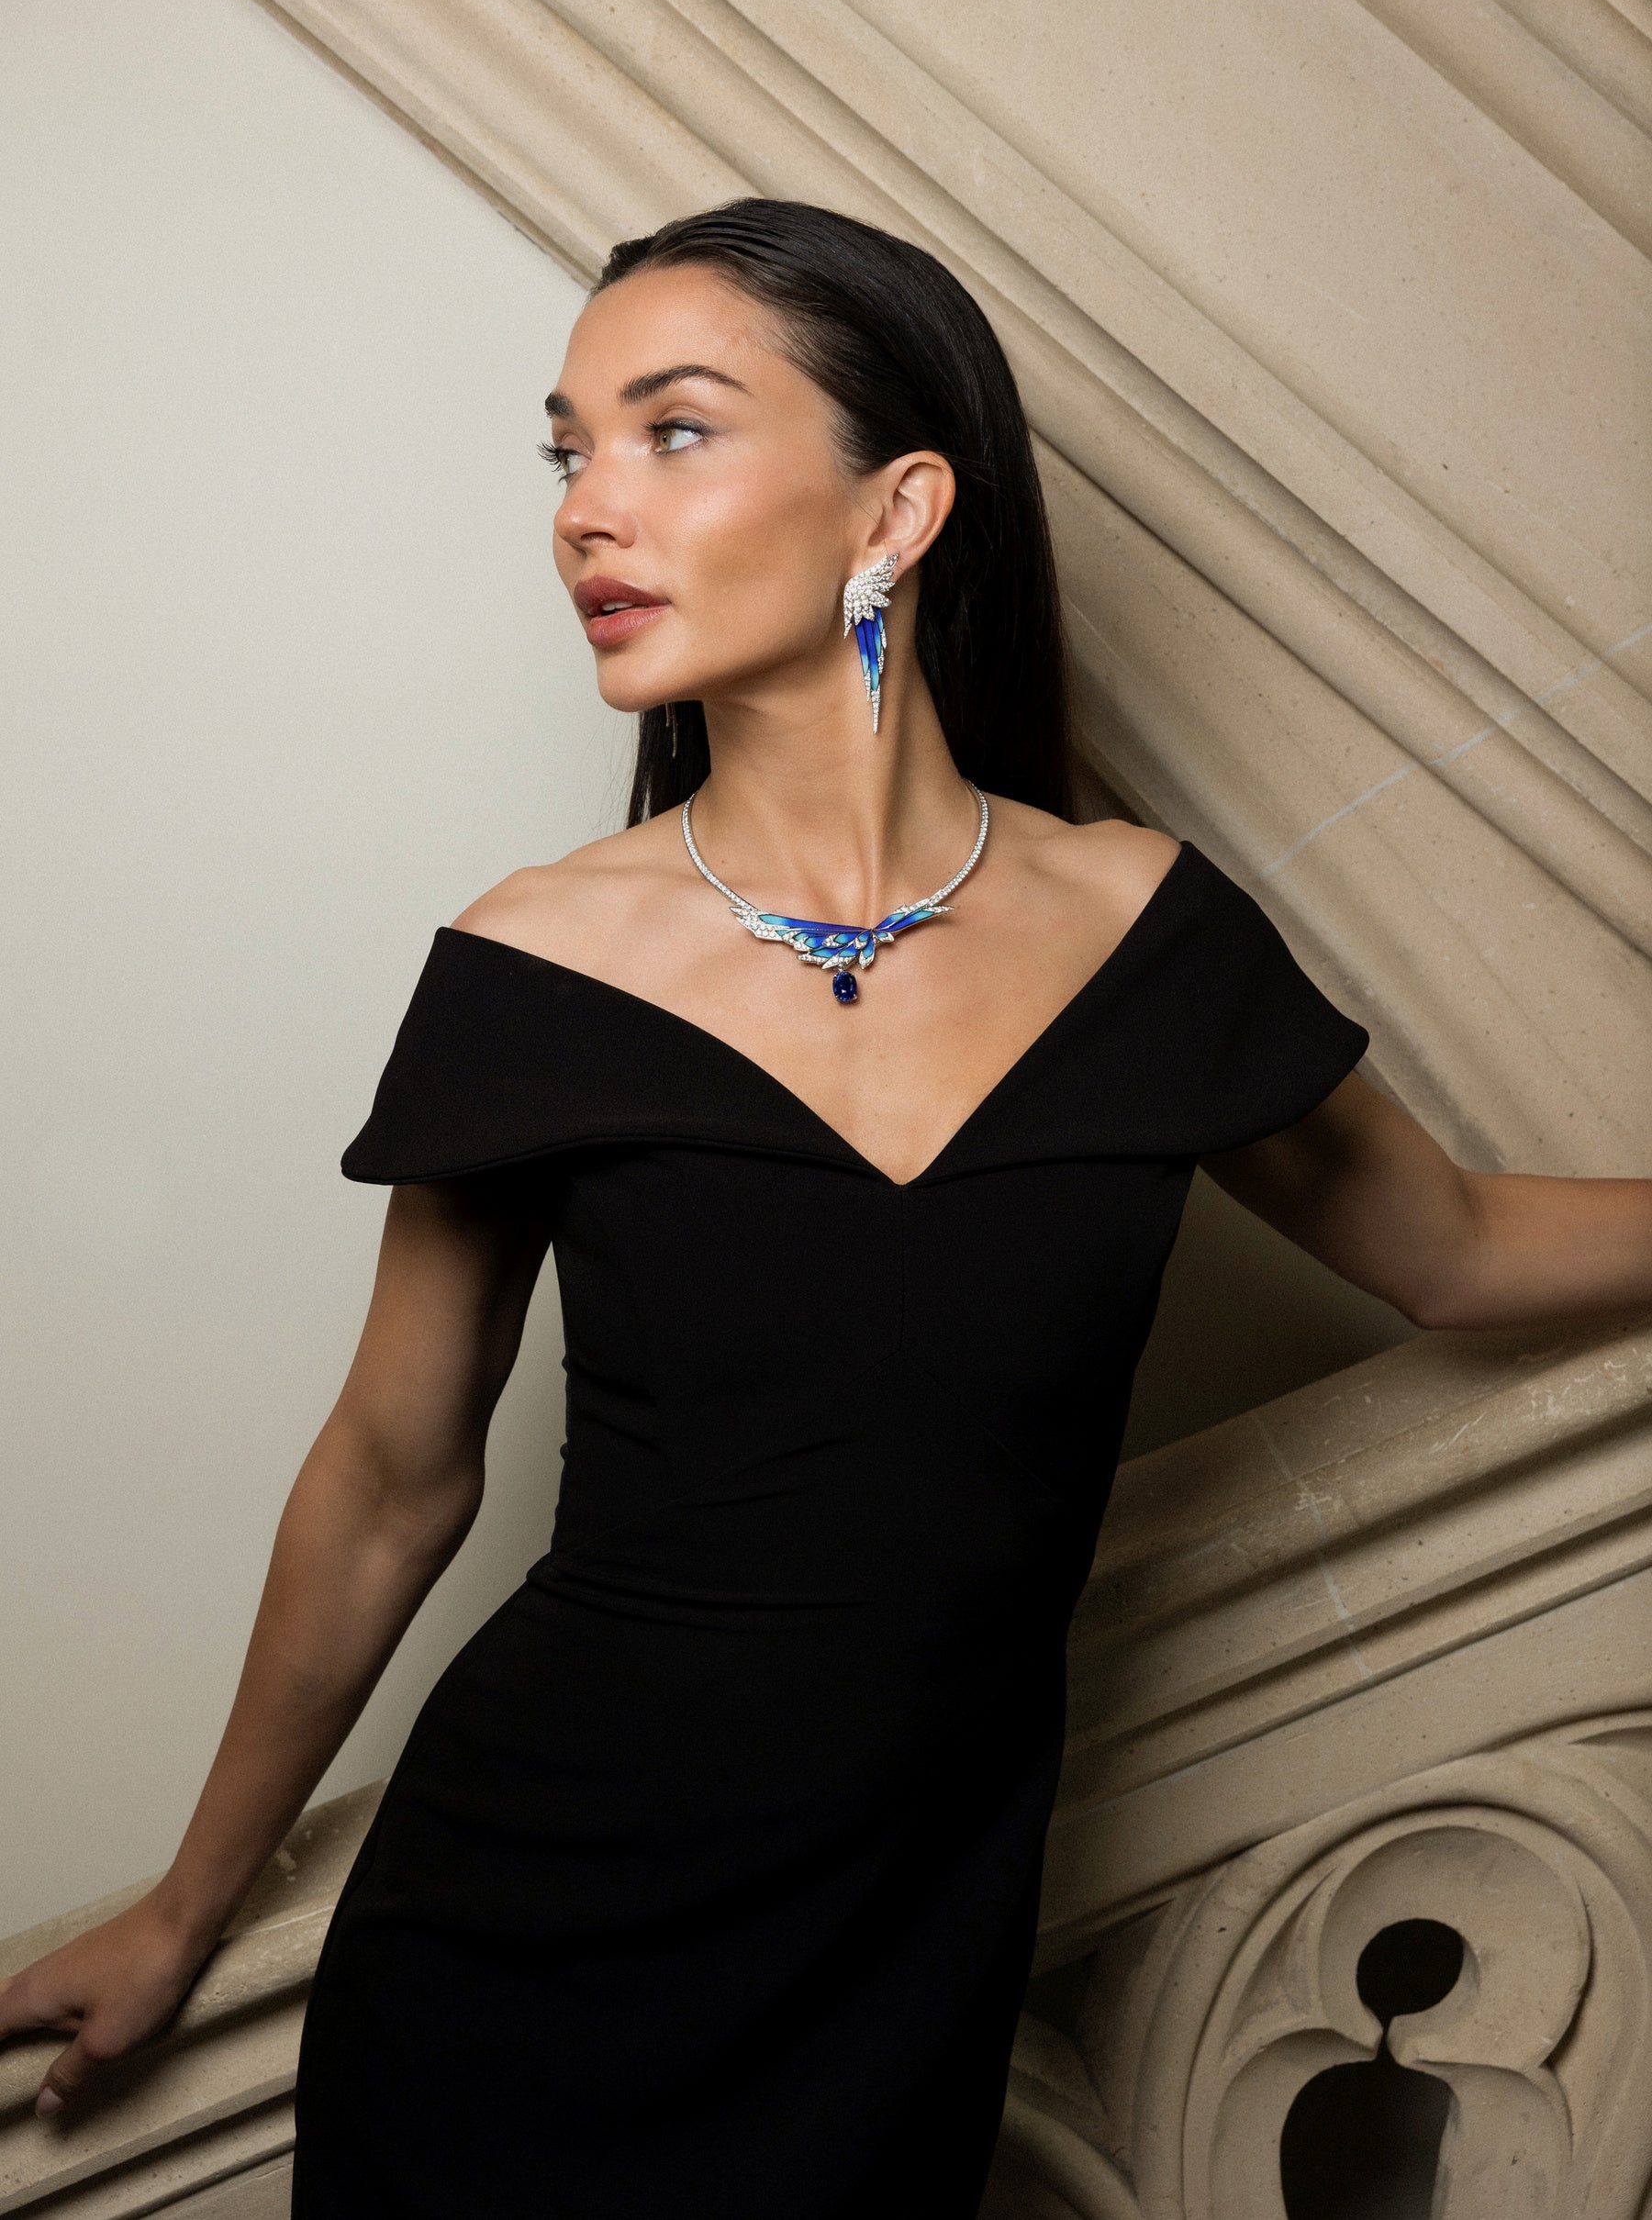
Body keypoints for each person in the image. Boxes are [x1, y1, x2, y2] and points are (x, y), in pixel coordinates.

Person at [3, 200, 1647, 2217]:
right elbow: (390, 1477)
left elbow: (1457, 1249)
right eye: (568, 451)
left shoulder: (1141, 933)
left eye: (673, 430)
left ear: (899, 510)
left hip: (896, 1965)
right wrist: (187, 1906)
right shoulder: (538, 964)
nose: (586, 510)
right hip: (517, 1941)